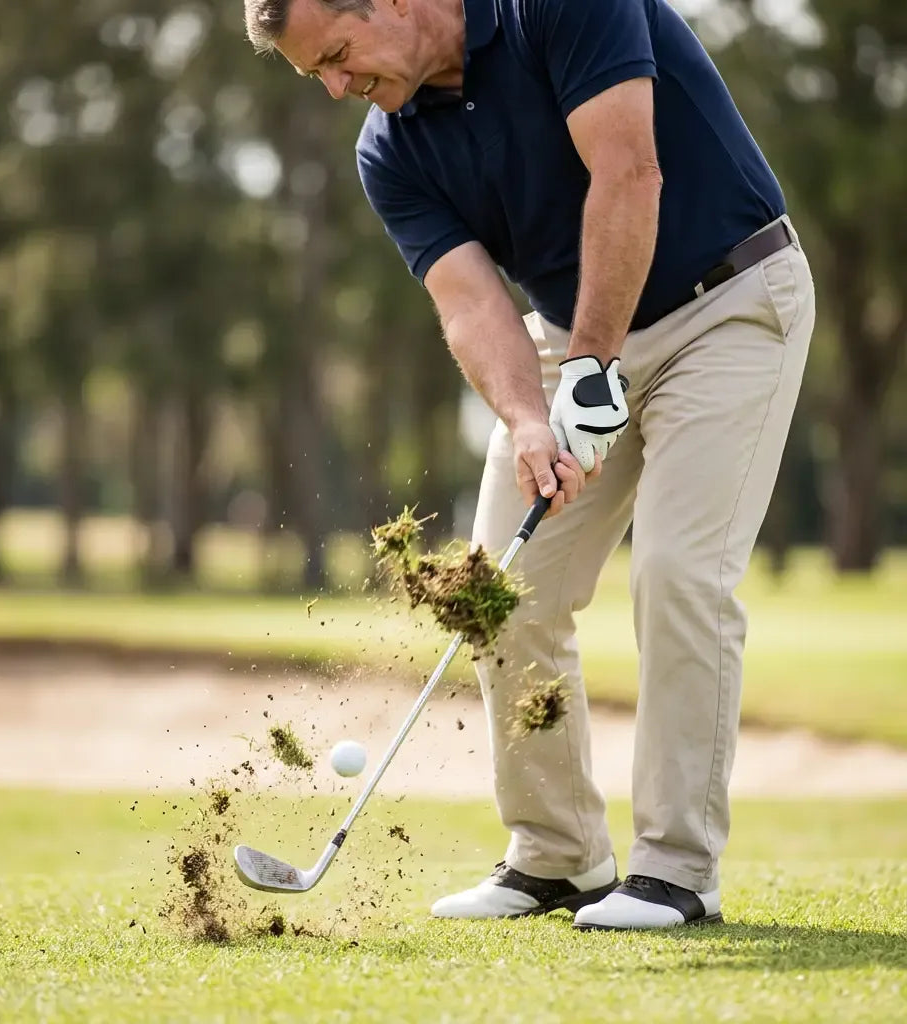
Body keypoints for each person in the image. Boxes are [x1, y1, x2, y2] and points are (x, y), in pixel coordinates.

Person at [244, 0, 815, 930]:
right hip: (574, 337)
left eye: (340, 56)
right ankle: (557, 858)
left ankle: (676, 872)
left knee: (678, 574)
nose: (342, 87)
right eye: (321, 77)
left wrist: (590, 364)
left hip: (728, 305)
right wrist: (530, 418)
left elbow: (629, 171)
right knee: (500, 593)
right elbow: (471, 306)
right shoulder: (389, 150)